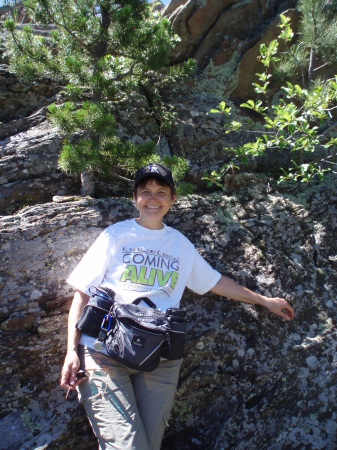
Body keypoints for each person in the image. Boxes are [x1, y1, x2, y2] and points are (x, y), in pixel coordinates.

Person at [60, 163, 294, 450]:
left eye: (161, 192)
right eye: (145, 192)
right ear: (135, 198)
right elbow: (82, 294)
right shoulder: (115, 236)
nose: (153, 198)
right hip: (103, 352)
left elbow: (214, 282)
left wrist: (263, 300)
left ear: (172, 199)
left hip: (160, 359)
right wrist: (71, 351)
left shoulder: (180, 245)